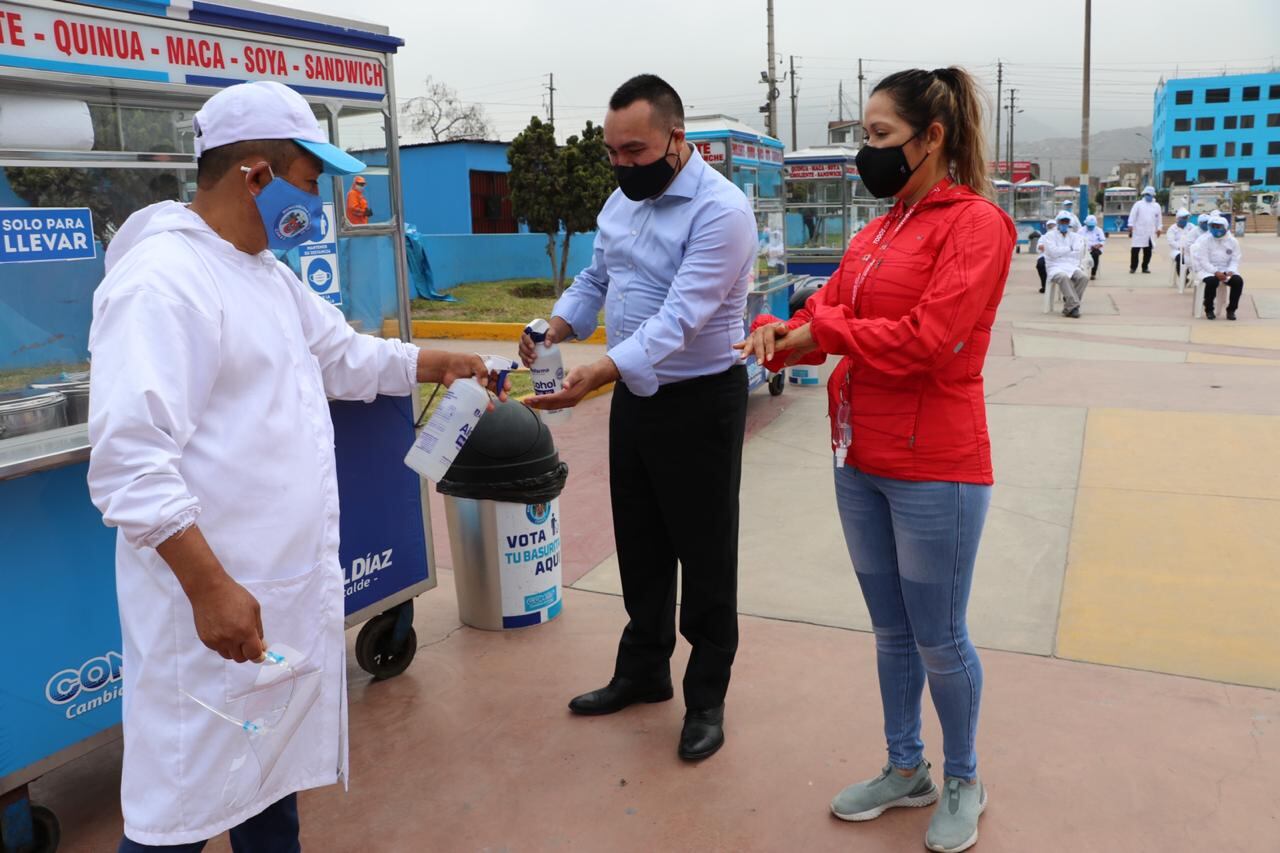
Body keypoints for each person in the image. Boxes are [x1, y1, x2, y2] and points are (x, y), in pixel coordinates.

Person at [87, 82, 501, 851]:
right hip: (208, 616)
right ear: (255, 174)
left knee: (266, 784)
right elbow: (130, 461)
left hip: (270, 601)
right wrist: (210, 588)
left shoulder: (265, 274)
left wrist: (442, 358)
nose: (318, 202)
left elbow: (343, 355)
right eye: (312, 182)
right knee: (177, 812)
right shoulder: (164, 282)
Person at [738, 66, 1013, 853]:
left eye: (882, 136)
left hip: (937, 468)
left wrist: (827, 334)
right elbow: (823, 310)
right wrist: (779, 324)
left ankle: (963, 774)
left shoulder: (976, 225)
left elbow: (932, 340)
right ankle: (906, 768)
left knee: (939, 635)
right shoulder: (880, 229)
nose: (868, 151)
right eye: (863, 136)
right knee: (891, 631)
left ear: (934, 138)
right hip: (859, 459)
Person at [518, 74, 755, 762]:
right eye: (611, 152)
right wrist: (556, 327)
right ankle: (643, 669)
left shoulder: (721, 211)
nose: (621, 164)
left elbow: (683, 316)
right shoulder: (620, 202)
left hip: (701, 398)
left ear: (677, 139)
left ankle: (706, 696)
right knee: (642, 540)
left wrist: (597, 373)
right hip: (635, 397)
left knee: (706, 554)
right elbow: (596, 278)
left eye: (635, 150)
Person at [1192, 213, 1243, 320]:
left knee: (1238, 281)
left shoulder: (1233, 241)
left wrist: (1230, 271)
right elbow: (1203, 260)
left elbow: (1235, 259)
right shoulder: (1205, 240)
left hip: (1226, 270)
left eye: (1218, 226)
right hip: (1208, 270)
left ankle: (1231, 310)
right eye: (1213, 226)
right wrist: (1215, 272)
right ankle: (1209, 309)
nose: (1215, 229)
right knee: (1212, 282)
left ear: (1225, 227)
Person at [1043, 211, 1089, 317]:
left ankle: (1070, 304)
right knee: (1063, 277)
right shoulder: (1049, 235)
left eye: (1066, 222)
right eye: (1062, 221)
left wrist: (1062, 251)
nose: (1064, 224)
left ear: (1069, 223)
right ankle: (1074, 306)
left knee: (1083, 277)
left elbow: (1078, 252)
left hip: (1071, 265)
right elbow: (1053, 253)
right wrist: (1070, 248)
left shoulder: (1074, 236)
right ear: (1058, 222)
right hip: (1055, 266)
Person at [1127, 185, 1162, 273]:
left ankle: (1145, 267)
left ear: (1153, 195)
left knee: (1148, 251)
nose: (1148, 196)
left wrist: (1159, 228)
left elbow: (1159, 218)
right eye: (1146, 194)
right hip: (1139, 231)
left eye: (1149, 194)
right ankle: (1133, 267)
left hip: (1150, 232)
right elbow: (1132, 215)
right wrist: (1130, 225)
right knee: (1135, 250)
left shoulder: (1156, 206)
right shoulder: (1138, 204)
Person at [1165, 207, 1193, 282]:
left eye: (1186, 218)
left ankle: (1187, 275)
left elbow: (1196, 238)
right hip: (1176, 250)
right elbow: (1171, 241)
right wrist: (1181, 248)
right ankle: (1182, 277)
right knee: (1180, 258)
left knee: (1194, 258)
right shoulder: (1172, 228)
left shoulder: (1191, 226)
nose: (1184, 220)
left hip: (1190, 250)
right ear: (1178, 218)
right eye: (1183, 218)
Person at [1082, 213, 1105, 279]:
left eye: (1092, 226)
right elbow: (1078, 240)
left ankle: (1093, 273)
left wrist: (1098, 245)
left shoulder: (1099, 230)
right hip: (1084, 248)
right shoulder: (1081, 230)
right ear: (1086, 224)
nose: (1091, 227)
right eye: (1089, 226)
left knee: (1095, 254)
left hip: (1096, 249)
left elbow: (1103, 240)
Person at [1035, 217, 1054, 293]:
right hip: (1045, 256)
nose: (1051, 227)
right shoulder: (1043, 237)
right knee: (1040, 265)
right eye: (1050, 226)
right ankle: (1044, 285)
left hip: (1057, 257)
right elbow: (1040, 247)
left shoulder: (1059, 236)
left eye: (1053, 225)